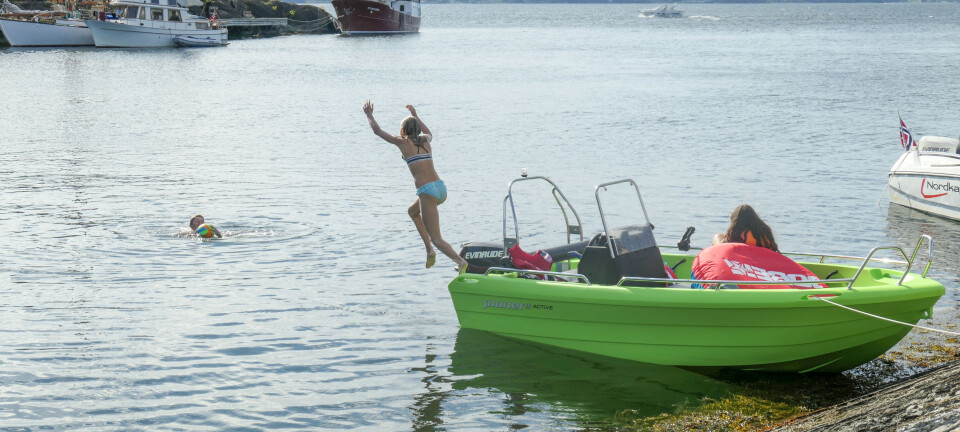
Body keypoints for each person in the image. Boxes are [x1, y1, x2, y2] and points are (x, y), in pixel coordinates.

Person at [362, 100, 468, 273]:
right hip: (440, 188)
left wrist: (369, 115)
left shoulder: (403, 143)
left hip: (427, 192)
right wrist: (415, 116)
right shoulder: (426, 141)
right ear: (417, 129)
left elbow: (378, 131)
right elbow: (429, 132)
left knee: (436, 237)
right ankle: (429, 250)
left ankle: (460, 261)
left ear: (402, 131)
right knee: (412, 212)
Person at [711, 204, 778, 252]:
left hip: (744, 257)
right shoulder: (765, 231)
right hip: (763, 257)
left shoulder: (739, 232)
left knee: (718, 236)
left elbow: (724, 246)